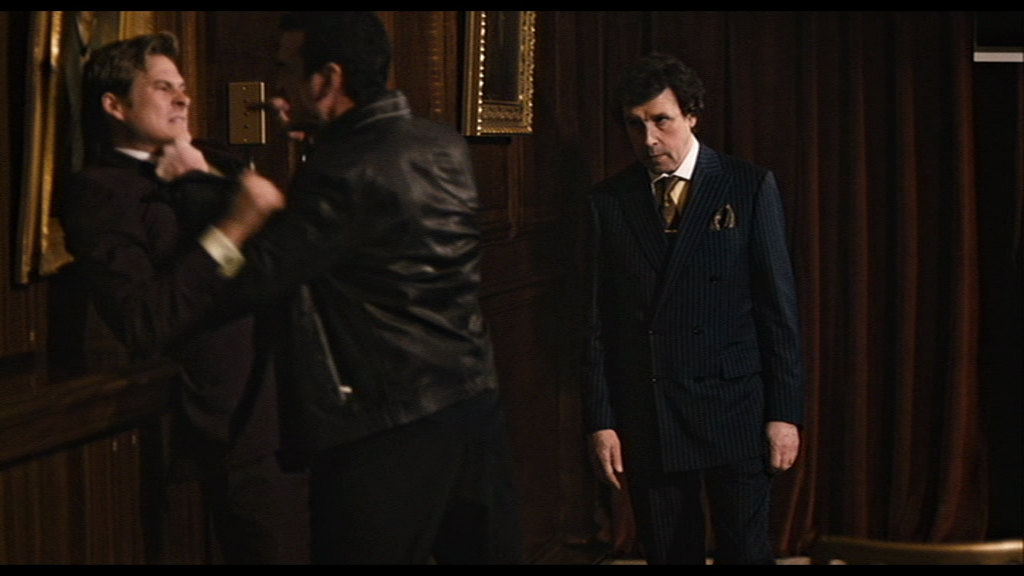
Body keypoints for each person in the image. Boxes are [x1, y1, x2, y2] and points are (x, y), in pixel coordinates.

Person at [208, 11, 523, 564]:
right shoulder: (441, 143)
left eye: (285, 69)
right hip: (473, 400)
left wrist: (230, 223)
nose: (277, 89)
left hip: (386, 423)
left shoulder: (343, 167)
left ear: (328, 79)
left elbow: (255, 280)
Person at [59, 32, 306, 564]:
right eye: (162, 87)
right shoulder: (102, 190)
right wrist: (234, 227)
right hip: (235, 429)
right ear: (115, 105)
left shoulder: (215, 160)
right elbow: (143, 320)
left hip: (299, 402)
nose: (183, 98)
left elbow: (283, 253)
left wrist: (209, 186)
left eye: (183, 86)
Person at [584, 53, 806, 565]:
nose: (648, 140)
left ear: (692, 115)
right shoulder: (608, 201)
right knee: (668, 553)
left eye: (661, 120)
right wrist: (601, 421)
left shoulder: (747, 185)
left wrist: (784, 413)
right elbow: (595, 324)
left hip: (736, 406)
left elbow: (779, 312)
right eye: (635, 125)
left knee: (745, 553)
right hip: (652, 407)